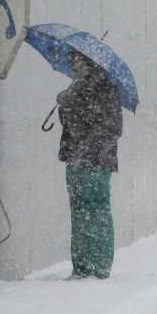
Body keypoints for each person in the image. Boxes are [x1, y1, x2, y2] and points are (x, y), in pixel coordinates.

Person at [57, 50, 123, 279]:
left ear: (86, 62)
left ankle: (99, 267)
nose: (69, 63)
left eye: (74, 59)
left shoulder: (105, 89)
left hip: (95, 160)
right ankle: (81, 267)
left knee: (96, 211)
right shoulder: (76, 87)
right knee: (79, 212)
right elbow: (70, 126)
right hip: (76, 159)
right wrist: (64, 104)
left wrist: (74, 104)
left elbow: (111, 128)